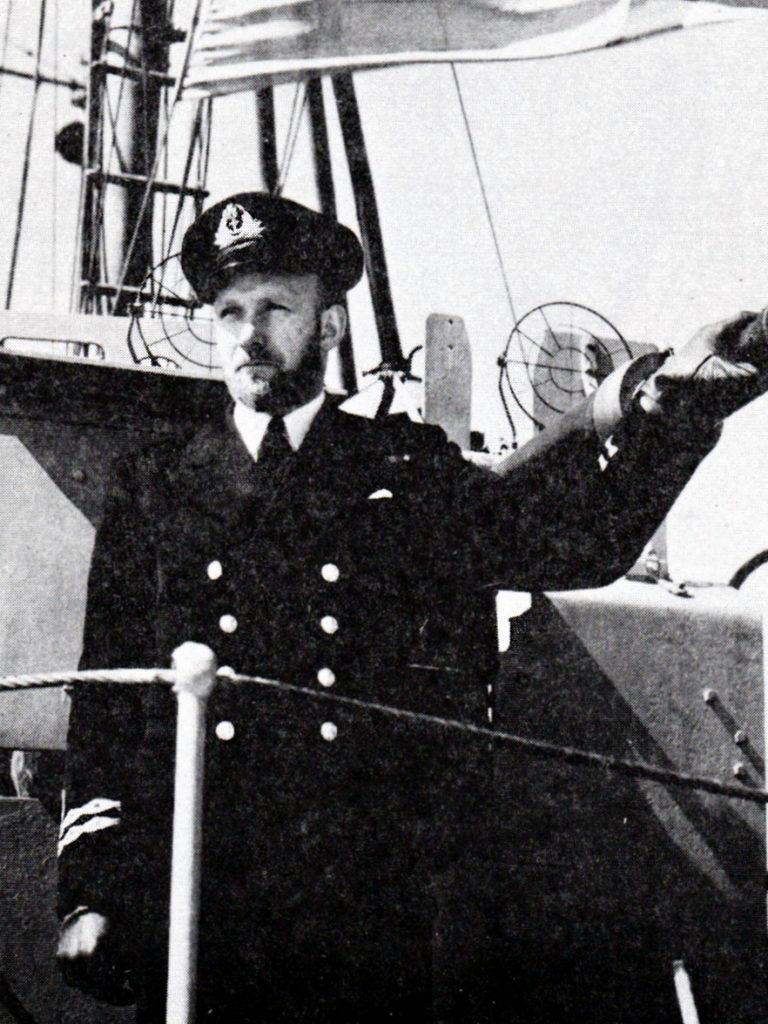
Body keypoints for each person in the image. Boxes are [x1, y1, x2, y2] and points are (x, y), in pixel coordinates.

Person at [56, 192, 768, 1023]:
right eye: (229, 312)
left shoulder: (405, 471)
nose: (248, 334)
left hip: (368, 910)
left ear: (327, 328)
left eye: (276, 309)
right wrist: (90, 891)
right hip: (204, 893)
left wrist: (676, 411)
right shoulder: (155, 487)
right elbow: (107, 702)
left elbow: (579, 543)